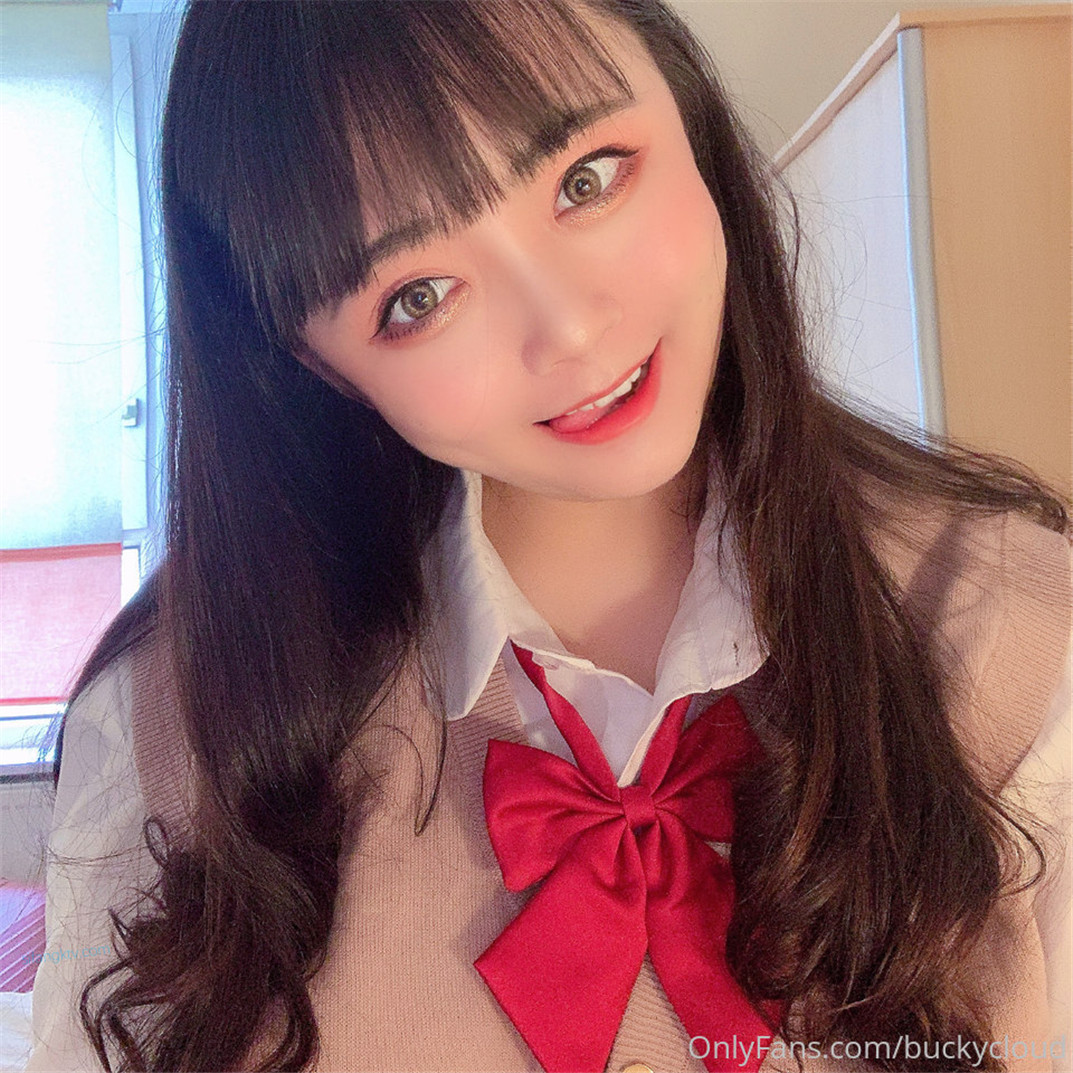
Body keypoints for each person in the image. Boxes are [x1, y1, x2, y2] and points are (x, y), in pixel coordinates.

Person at [25, 1, 1071, 1071]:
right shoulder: (172, 732)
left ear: (684, 106)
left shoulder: (1018, 634)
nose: (568, 329)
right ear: (316, 366)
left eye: (586, 179)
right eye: (418, 295)